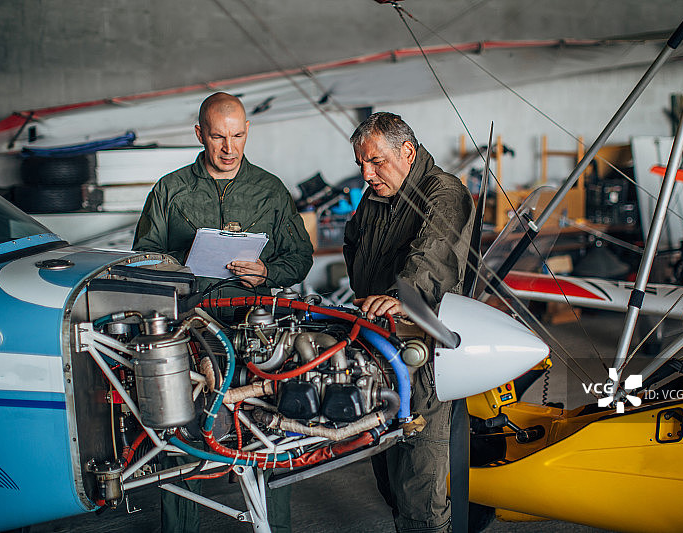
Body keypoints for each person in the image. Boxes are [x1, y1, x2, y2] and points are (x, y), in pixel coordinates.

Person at [134, 92, 312, 533]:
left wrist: (268, 271)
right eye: (218, 137)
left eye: (237, 136)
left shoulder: (270, 190)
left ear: (247, 132)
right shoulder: (170, 189)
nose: (229, 148)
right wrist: (183, 263)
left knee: (270, 429)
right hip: (191, 328)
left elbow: (301, 256)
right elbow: (142, 258)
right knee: (182, 432)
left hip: (256, 327)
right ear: (200, 134)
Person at [343, 112, 474, 533]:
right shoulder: (375, 197)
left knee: (420, 475)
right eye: (362, 163)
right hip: (378, 345)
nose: (366, 173)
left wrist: (398, 298)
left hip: (423, 350)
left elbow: (433, 256)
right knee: (386, 462)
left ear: (407, 152)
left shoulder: (444, 191)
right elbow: (353, 244)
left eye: (376, 161)